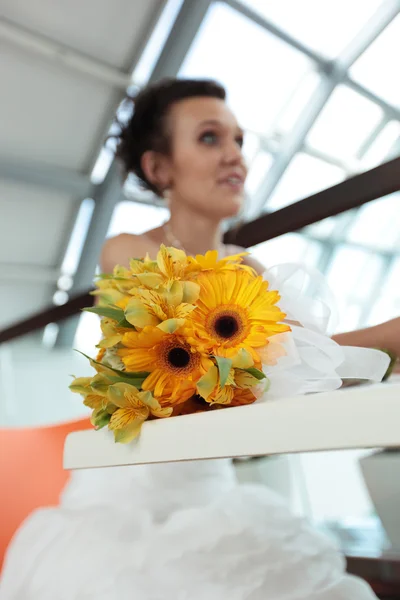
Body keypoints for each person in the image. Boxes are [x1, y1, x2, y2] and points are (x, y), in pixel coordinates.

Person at [0, 78, 395, 599]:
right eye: (211, 138)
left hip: (218, 498)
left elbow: (308, 369)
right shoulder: (126, 252)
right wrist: (390, 338)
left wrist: (382, 349)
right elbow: (246, 356)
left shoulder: (250, 269)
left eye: (239, 141)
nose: (235, 156)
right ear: (159, 168)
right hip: (128, 511)